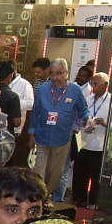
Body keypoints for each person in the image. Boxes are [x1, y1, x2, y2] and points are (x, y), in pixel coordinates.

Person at [28, 59, 89, 196]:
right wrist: (31, 134)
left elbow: (83, 110)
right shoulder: (43, 90)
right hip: (42, 137)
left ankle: (47, 195)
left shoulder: (75, 90)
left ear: (66, 73)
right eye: (53, 73)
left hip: (62, 139)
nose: (55, 77)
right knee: (39, 171)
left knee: (55, 173)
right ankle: (38, 198)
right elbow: (35, 113)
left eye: (59, 73)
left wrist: (87, 119)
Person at [72, 72, 112, 209]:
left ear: (105, 85)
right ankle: (79, 199)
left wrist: (105, 123)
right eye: (92, 84)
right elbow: (79, 117)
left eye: (96, 84)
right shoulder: (87, 98)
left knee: (95, 175)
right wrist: (84, 124)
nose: (93, 87)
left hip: (100, 145)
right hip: (84, 142)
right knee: (80, 173)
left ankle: (93, 202)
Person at [0, 61, 35, 136]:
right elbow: (16, 122)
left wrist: (15, 104)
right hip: (1, 130)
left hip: (14, 130)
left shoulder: (25, 84)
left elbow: (30, 104)